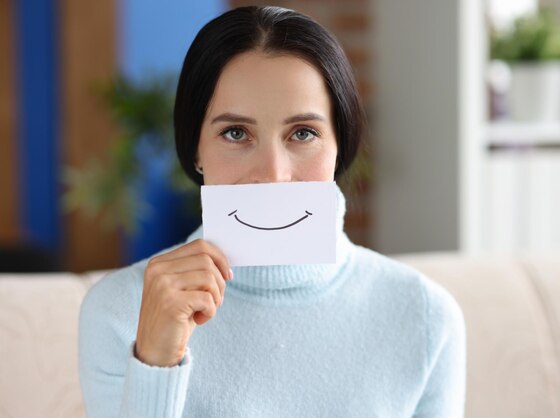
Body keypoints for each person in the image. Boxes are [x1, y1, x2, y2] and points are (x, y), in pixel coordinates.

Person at [79, 5, 466, 417]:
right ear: (195, 150)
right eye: (235, 133)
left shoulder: (424, 315)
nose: (273, 173)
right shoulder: (120, 311)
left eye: (303, 133)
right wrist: (156, 363)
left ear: (341, 146)